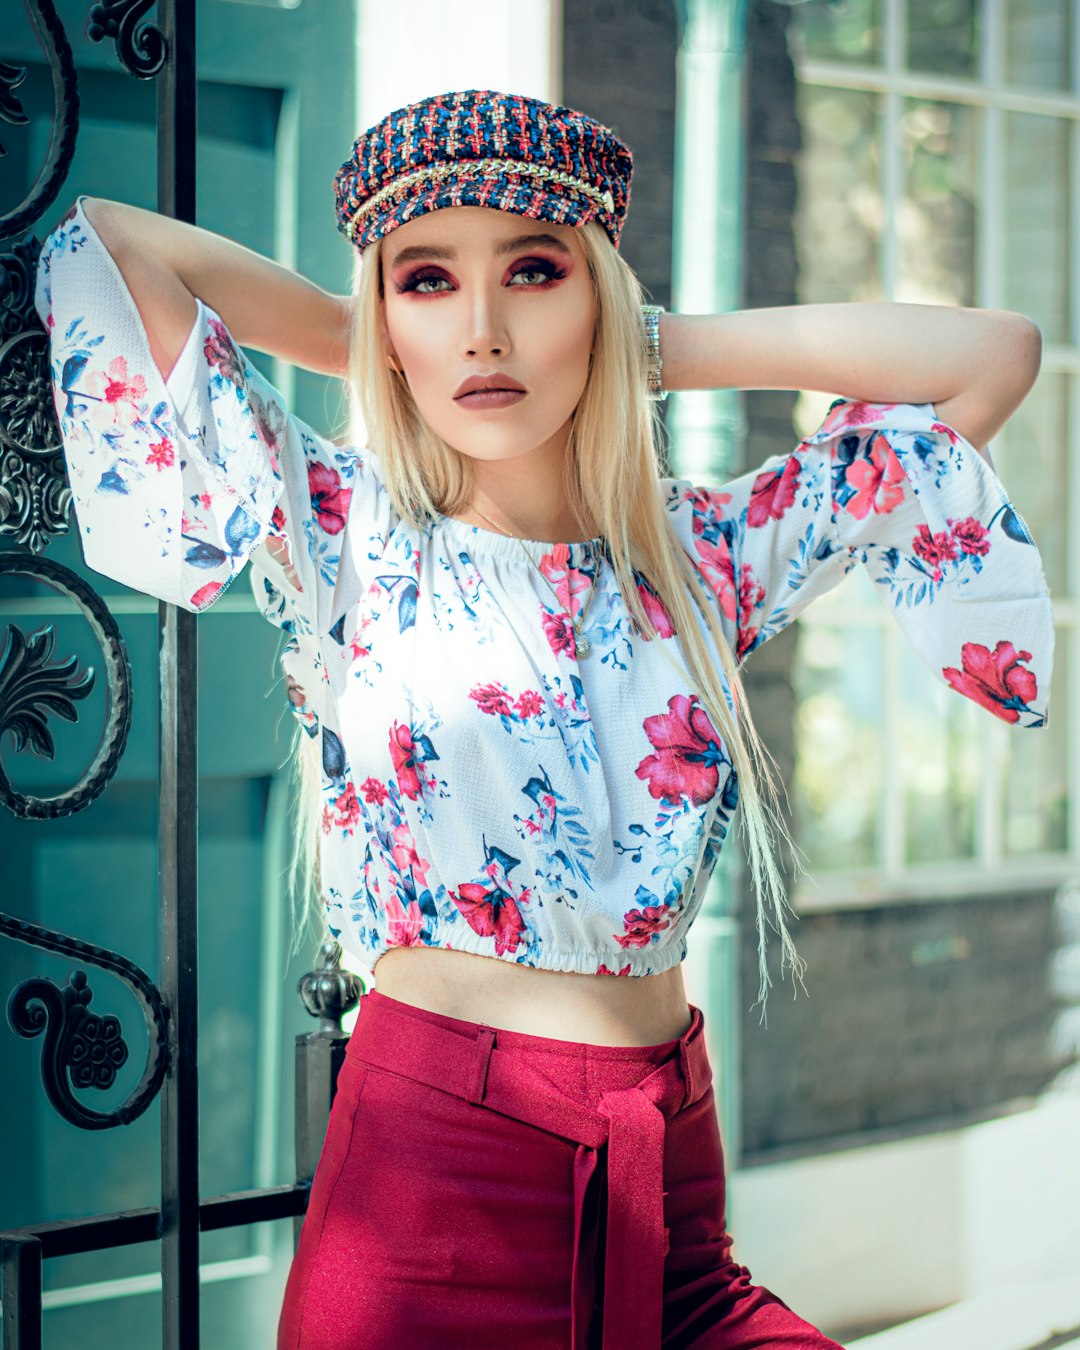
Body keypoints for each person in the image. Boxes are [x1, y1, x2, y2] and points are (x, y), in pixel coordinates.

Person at [34, 89, 1052, 1350]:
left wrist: (648, 342)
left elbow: (989, 357)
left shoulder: (704, 558)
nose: (482, 332)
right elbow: (115, 244)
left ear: (599, 297)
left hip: (669, 1206)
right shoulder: (342, 530)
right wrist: (363, 334)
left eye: (532, 271)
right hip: (428, 1215)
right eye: (427, 281)